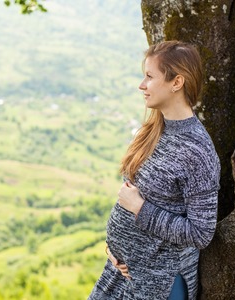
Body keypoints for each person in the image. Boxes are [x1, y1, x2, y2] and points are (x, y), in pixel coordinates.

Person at [88, 40, 221, 300]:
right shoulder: (154, 130)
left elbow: (201, 233)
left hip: (159, 285)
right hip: (122, 272)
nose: (142, 85)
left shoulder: (197, 151)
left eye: (149, 76)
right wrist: (116, 250)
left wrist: (139, 208)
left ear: (176, 82)